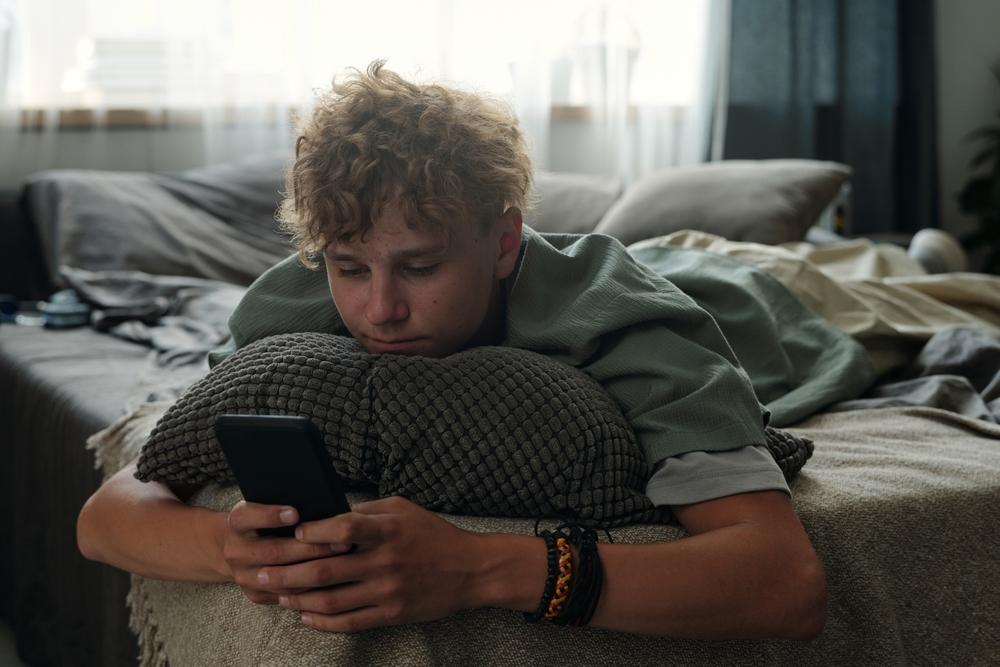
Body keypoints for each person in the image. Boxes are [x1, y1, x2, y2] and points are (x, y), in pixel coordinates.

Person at [77, 61, 826, 639]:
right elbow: (108, 516)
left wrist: (479, 569)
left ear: (504, 242)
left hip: (742, 299)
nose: (380, 310)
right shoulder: (289, 306)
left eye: (421, 266)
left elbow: (783, 582)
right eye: (349, 268)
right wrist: (228, 546)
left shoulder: (624, 324)